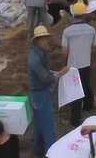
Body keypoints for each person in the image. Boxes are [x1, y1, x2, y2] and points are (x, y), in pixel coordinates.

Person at [28, 26, 69, 157]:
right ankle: (52, 153)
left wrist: (55, 73)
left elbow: (46, 72)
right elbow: (45, 77)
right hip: (39, 93)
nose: (47, 41)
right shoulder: (34, 58)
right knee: (48, 126)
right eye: (44, 39)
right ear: (37, 41)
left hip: (40, 92)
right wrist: (59, 74)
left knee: (39, 124)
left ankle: (38, 150)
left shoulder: (41, 53)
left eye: (47, 38)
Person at [62, 2, 96, 126]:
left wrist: (64, 63)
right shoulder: (91, 30)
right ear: (84, 15)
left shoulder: (67, 31)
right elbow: (95, 46)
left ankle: (75, 120)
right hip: (86, 63)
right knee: (86, 84)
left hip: (73, 65)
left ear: (73, 15)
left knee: (75, 91)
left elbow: (65, 51)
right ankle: (89, 106)